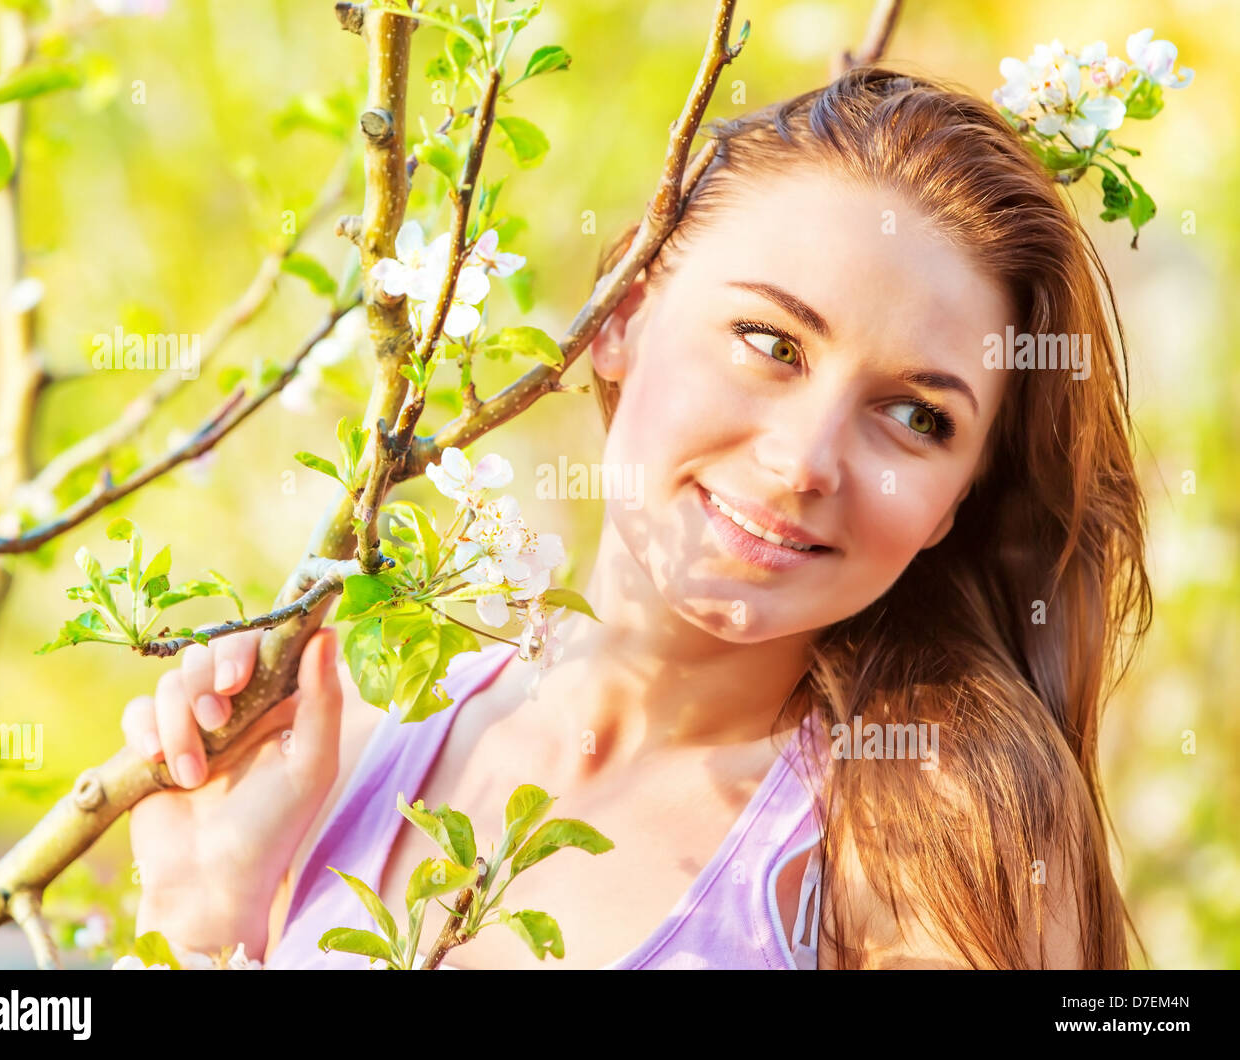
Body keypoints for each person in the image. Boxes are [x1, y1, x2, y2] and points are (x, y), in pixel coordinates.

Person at [122, 66, 1151, 970]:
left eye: (916, 417)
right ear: (620, 315)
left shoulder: (926, 838)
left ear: (952, 503)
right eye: (769, 341)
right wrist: (205, 915)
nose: (803, 461)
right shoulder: (347, 747)